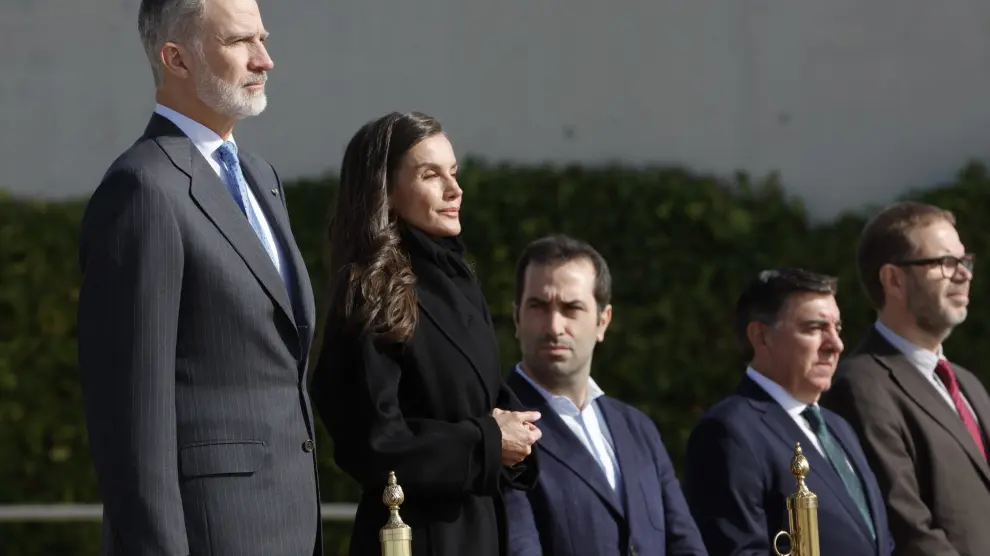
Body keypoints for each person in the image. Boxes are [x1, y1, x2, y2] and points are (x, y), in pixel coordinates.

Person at [76, 0, 322, 554]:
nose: (265, 60)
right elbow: (132, 418)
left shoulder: (260, 177)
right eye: (239, 42)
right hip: (212, 533)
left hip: (291, 527)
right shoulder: (142, 188)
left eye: (262, 39)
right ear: (177, 59)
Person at [310, 111, 541, 556]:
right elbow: (373, 444)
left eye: (453, 172)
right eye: (430, 175)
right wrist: (489, 440)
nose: (455, 189)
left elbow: (481, 399)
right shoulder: (369, 292)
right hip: (412, 535)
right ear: (386, 192)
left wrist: (519, 433)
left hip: (479, 528)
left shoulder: (459, 281)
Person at [501, 235, 707, 556]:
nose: (554, 326)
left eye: (571, 308)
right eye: (538, 307)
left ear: (603, 321)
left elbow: (686, 545)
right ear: (517, 317)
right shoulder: (499, 426)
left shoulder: (638, 429)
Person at [683, 268, 893, 556]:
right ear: (761, 337)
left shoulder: (839, 428)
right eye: (815, 328)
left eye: (837, 328)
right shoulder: (728, 432)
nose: (836, 344)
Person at [821, 201, 990, 555]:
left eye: (964, 261)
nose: (964, 274)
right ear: (894, 280)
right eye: (945, 263)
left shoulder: (968, 385)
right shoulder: (860, 387)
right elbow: (907, 529)